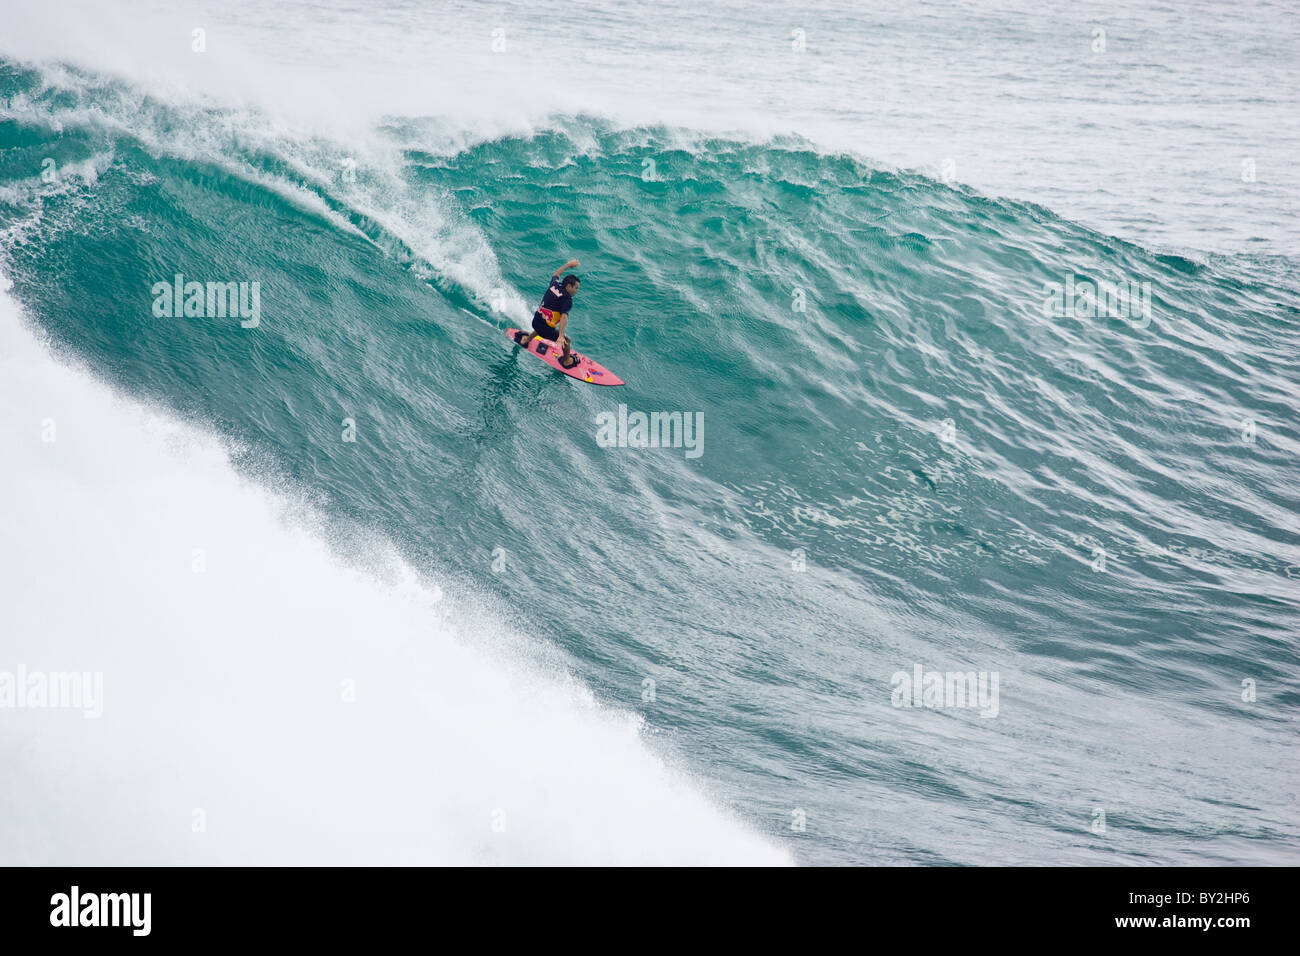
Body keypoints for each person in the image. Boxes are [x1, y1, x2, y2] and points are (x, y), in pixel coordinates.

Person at [514, 258, 581, 368]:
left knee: (546, 322)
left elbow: (556, 274)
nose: (577, 291)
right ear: (569, 286)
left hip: (535, 321)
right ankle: (567, 361)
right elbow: (564, 317)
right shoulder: (567, 299)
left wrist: (568, 265)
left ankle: (526, 339)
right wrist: (560, 336)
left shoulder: (554, 285)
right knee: (567, 340)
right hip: (544, 328)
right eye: (576, 288)